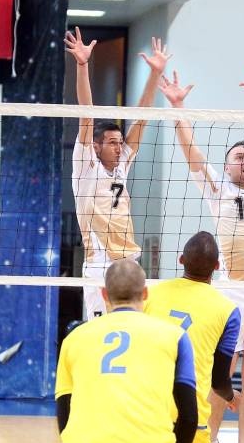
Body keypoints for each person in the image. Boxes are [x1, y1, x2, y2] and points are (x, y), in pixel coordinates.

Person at [159, 64, 244, 443]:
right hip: (230, 293)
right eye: (238, 157)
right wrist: (178, 108)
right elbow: (191, 151)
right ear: (228, 167)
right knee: (222, 375)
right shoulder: (219, 190)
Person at [51, 259, 202, 443]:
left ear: (104, 294)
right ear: (146, 293)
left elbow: (64, 414)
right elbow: (189, 417)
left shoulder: (73, 339)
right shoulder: (176, 336)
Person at [65, 28, 170, 320]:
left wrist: (155, 74)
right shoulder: (85, 166)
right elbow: (86, 113)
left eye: (119, 142)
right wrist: (82, 65)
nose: (118, 147)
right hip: (100, 264)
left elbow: (143, 118)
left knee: (134, 328)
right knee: (102, 330)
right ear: (96, 146)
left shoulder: (122, 165)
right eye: (112, 142)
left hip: (129, 262)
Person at [145, 231, 243, 443]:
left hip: (146, 410)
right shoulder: (228, 310)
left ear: (181, 260)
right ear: (217, 267)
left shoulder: (150, 294)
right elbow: (219, 380)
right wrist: (232, 398)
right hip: (190, 415)